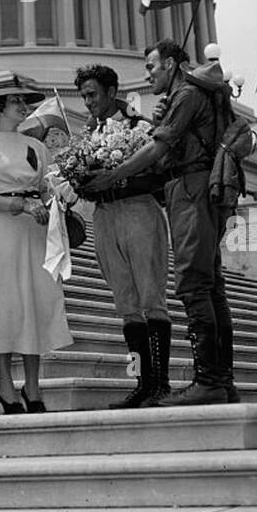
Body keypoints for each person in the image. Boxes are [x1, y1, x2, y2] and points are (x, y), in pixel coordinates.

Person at [84, 40, 238, 406]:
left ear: (170, 64)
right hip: (191, 189)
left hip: (189, 189)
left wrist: (112, 175)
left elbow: (157, 150)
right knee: (208, 285)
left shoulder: (186, 95)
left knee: (193, 285)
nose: (148, 74)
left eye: (152, 67)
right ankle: (208, 380)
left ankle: (206, 381)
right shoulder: (194, 95)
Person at [0, 79, 73, 413]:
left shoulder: (36, 147)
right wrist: (20, 206)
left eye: (23, 101)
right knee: (5, 300)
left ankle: (33, 385)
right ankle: (4, 384)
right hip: (1, 227)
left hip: (36, 227)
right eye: (15, 100)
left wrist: (57, 198)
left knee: (37, 300)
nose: (22, 106)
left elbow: (42, 187)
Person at [75, 65, 172, 409]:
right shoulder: (88, 134)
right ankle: (140, 382)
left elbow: (163, 176)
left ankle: (161, 383)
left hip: (138, 211)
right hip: (104, 216)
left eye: (93, 94)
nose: (88, 102)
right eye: (84, 96)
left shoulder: (140, 126)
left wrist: (117, 178)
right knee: (126, 308)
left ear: (112, 90)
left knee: (151, 299)